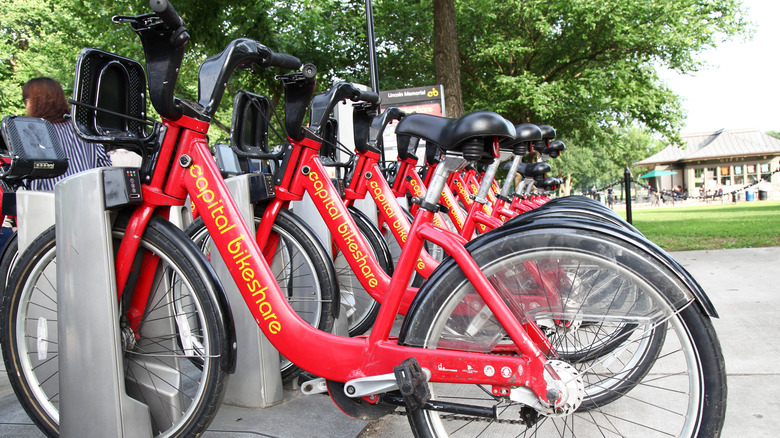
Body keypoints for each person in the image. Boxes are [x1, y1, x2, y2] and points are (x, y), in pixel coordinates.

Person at [22, 77, 112, 190]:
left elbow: (29, 184)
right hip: (89, 201)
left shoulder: (32, 133)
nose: (26, 106)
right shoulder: (83, 128)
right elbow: (106, 169)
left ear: (36, 101)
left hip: (52, 203)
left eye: (25, 99)